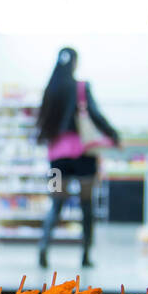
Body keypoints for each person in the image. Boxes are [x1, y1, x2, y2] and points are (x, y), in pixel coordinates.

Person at [34, 47, 120, 269]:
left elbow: (41, 123)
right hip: (84, 156)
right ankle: (86, 254)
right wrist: (113, 134)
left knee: (55, 204)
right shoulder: (81, 87)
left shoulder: (49, 90)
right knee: (87, 205)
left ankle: (43, 247)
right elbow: (94, 114)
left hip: (56, 160)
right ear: (75, 63)